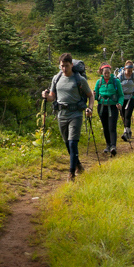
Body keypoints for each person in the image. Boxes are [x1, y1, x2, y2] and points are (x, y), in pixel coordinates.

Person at [42, 53, 94, 181]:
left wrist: (90, 108)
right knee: (67, 143)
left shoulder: (79, 79)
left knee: (72, 143)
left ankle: (71, 174)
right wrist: (46, 96)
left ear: (71, 64)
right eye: (62, 66)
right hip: (62, 114)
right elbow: (52, 97)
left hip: (76, 114)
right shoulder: (57, 78)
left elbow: (90, 95)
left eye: (66, 66)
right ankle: (78, 166)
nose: (64, 68)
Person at [94, 63, 123, 155]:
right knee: (105, 127)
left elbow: (121, 95)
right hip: (102, 107)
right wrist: (93, 95)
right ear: (102, 72)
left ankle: (113, 146)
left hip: (113, 107)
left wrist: (120, 103)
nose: (107, 74)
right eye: (105, 73)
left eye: (108, 73)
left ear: (111, 72)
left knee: (112, 127)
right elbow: (95, 96)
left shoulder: (116, 81)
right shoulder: (99, 82)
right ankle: (108, 145)